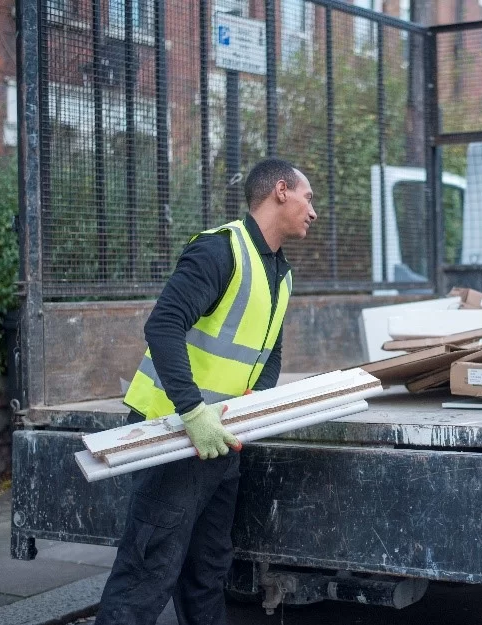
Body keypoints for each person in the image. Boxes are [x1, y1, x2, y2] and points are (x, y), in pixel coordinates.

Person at [95, 158, 317, 625]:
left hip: (221, 440)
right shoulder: (222, 250)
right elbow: (163, 325)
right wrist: (194, 412)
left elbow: (268, 350)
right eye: (307, 197)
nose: (312, 211)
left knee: (208, 568)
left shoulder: (280, 271)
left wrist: (260, 398)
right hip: (173, 434)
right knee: (148, 570)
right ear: (280, 191)